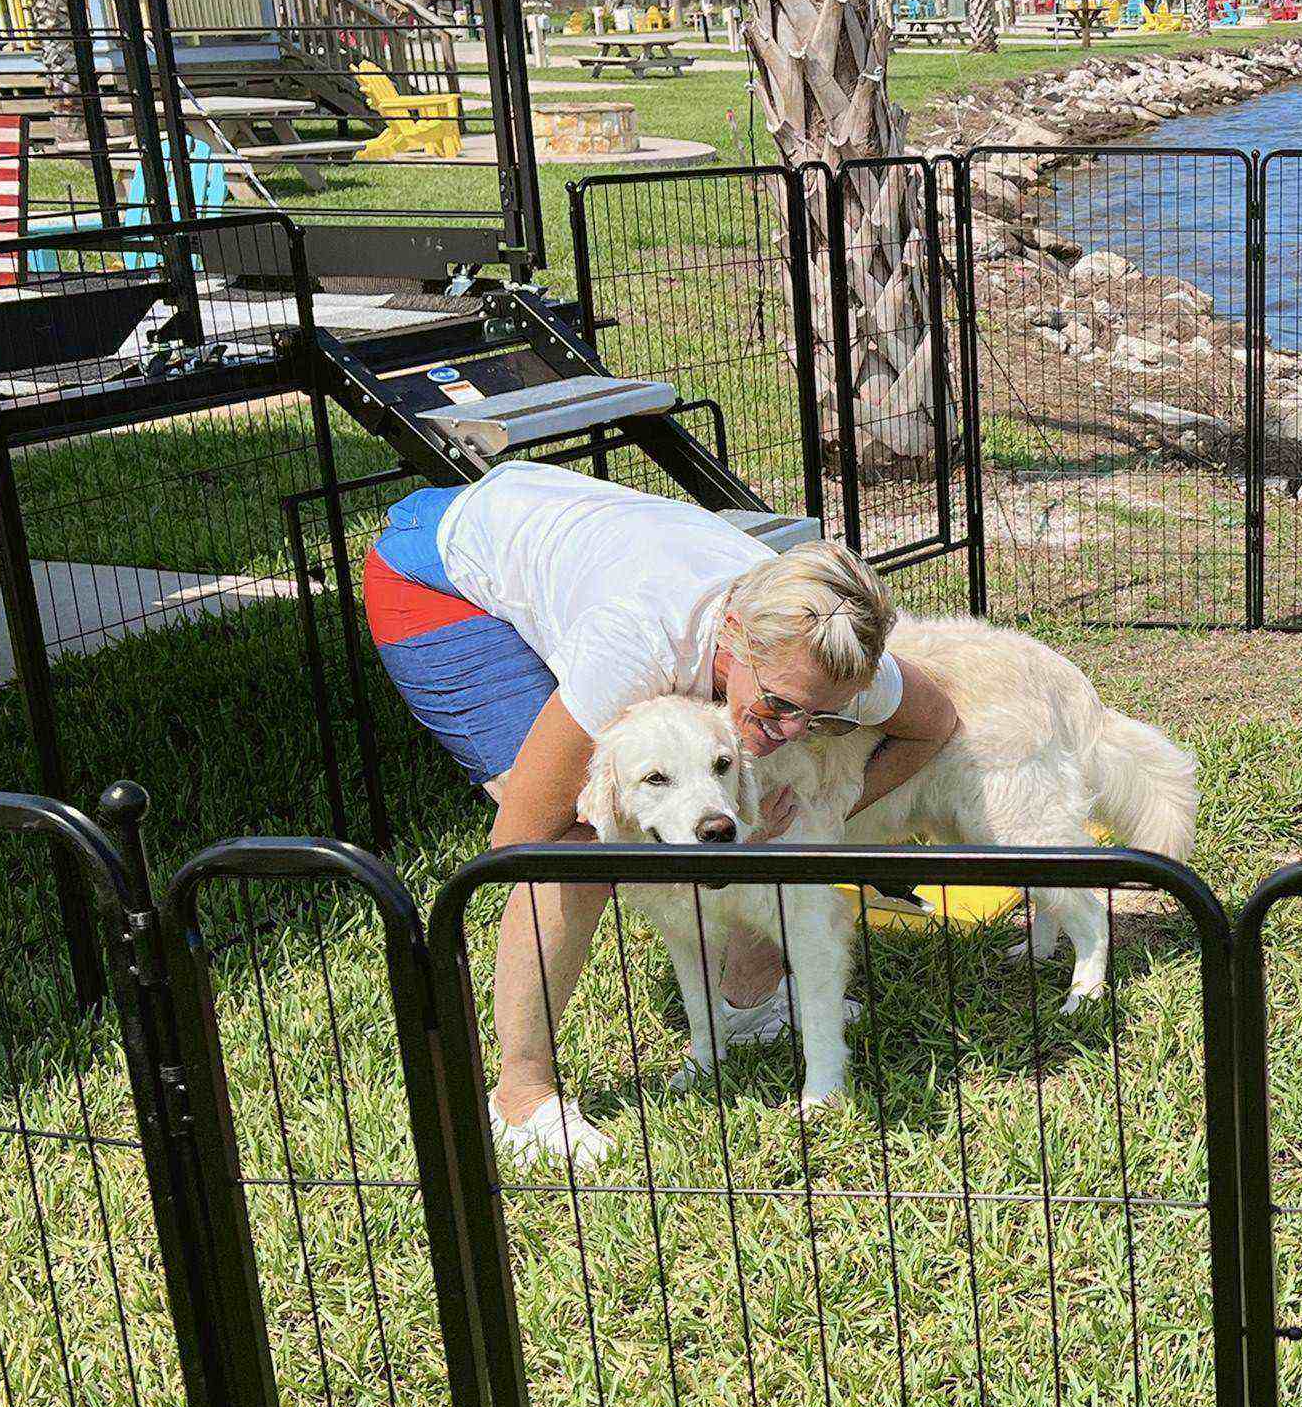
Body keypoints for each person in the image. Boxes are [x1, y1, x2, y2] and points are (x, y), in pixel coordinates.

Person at [361, 461, 958, 1163]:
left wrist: (827, 808)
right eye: (778, 705)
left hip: (571, 534)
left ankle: (749, 1005)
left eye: (819, 715)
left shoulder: (836, 658)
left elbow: (934, 723)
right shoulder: (634, 645)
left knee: (781, 802)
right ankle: (520, 1099)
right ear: (733, 636)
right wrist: (691, 847)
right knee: (579, 850)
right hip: (440, 582)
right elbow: (515, 848)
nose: (794, 727)